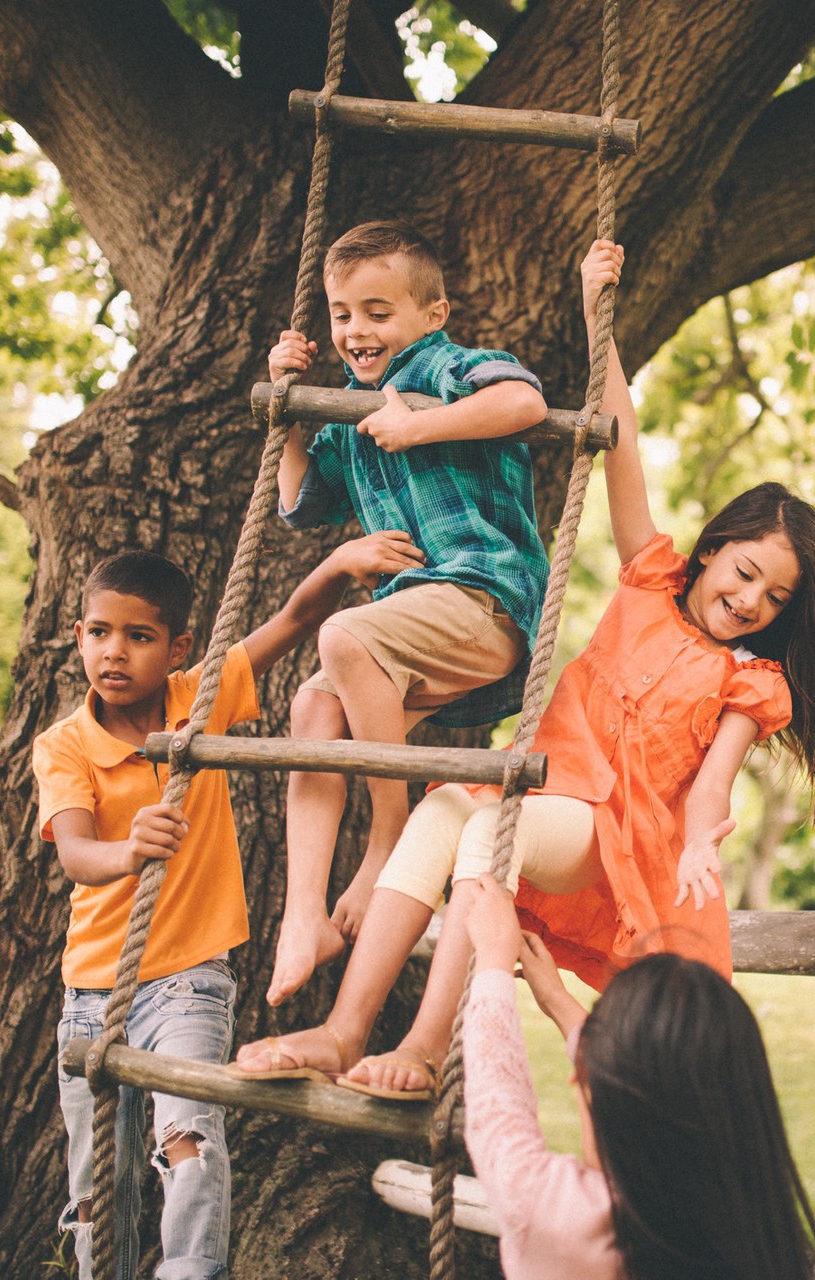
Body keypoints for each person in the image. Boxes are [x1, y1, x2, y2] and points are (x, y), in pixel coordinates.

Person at [229, 238, 815, 1098]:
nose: (752, 601)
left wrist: (701, 840)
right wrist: (593, 313)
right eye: (745, 573)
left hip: (613, 837)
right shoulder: (650, 580)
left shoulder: (752, 681)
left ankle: (421, 1047)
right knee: (444, 809)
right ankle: (345, 1032)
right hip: (546, 791)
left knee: (485, 828)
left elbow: (714, 783)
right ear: (711, 554)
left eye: (776, 598)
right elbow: (622, 435)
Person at [34, 540, 416, 1279]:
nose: (114, 653)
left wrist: (339, 564)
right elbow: (76, 853)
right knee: (95, 1183)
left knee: (188, 1141)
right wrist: (128, 851)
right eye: (99, 633)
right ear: (79, 635)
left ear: (176, 647)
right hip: (90, 994)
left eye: (139, 636)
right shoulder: (63, 746)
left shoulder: (196, 700)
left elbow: (293, 619)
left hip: (187, 983)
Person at [265, 218, 553, 1008]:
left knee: (343, 635)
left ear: (433, 313)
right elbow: (299, 503)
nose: (356, 330)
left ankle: (385, 842)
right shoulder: (346, 411)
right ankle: (304, 915)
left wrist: (419, 422)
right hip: (417, 624)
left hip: (486, 599)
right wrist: (289, 412)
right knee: (314, 704)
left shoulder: (453, 367)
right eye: (342, 313)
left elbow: (523, 402)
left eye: (377, 311)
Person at [461, 871, 815, 1280]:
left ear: (584, 1082)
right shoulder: (751, 1222)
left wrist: (492, 962)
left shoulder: (569, 1220)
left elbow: (497, 1106)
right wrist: (555, 999)